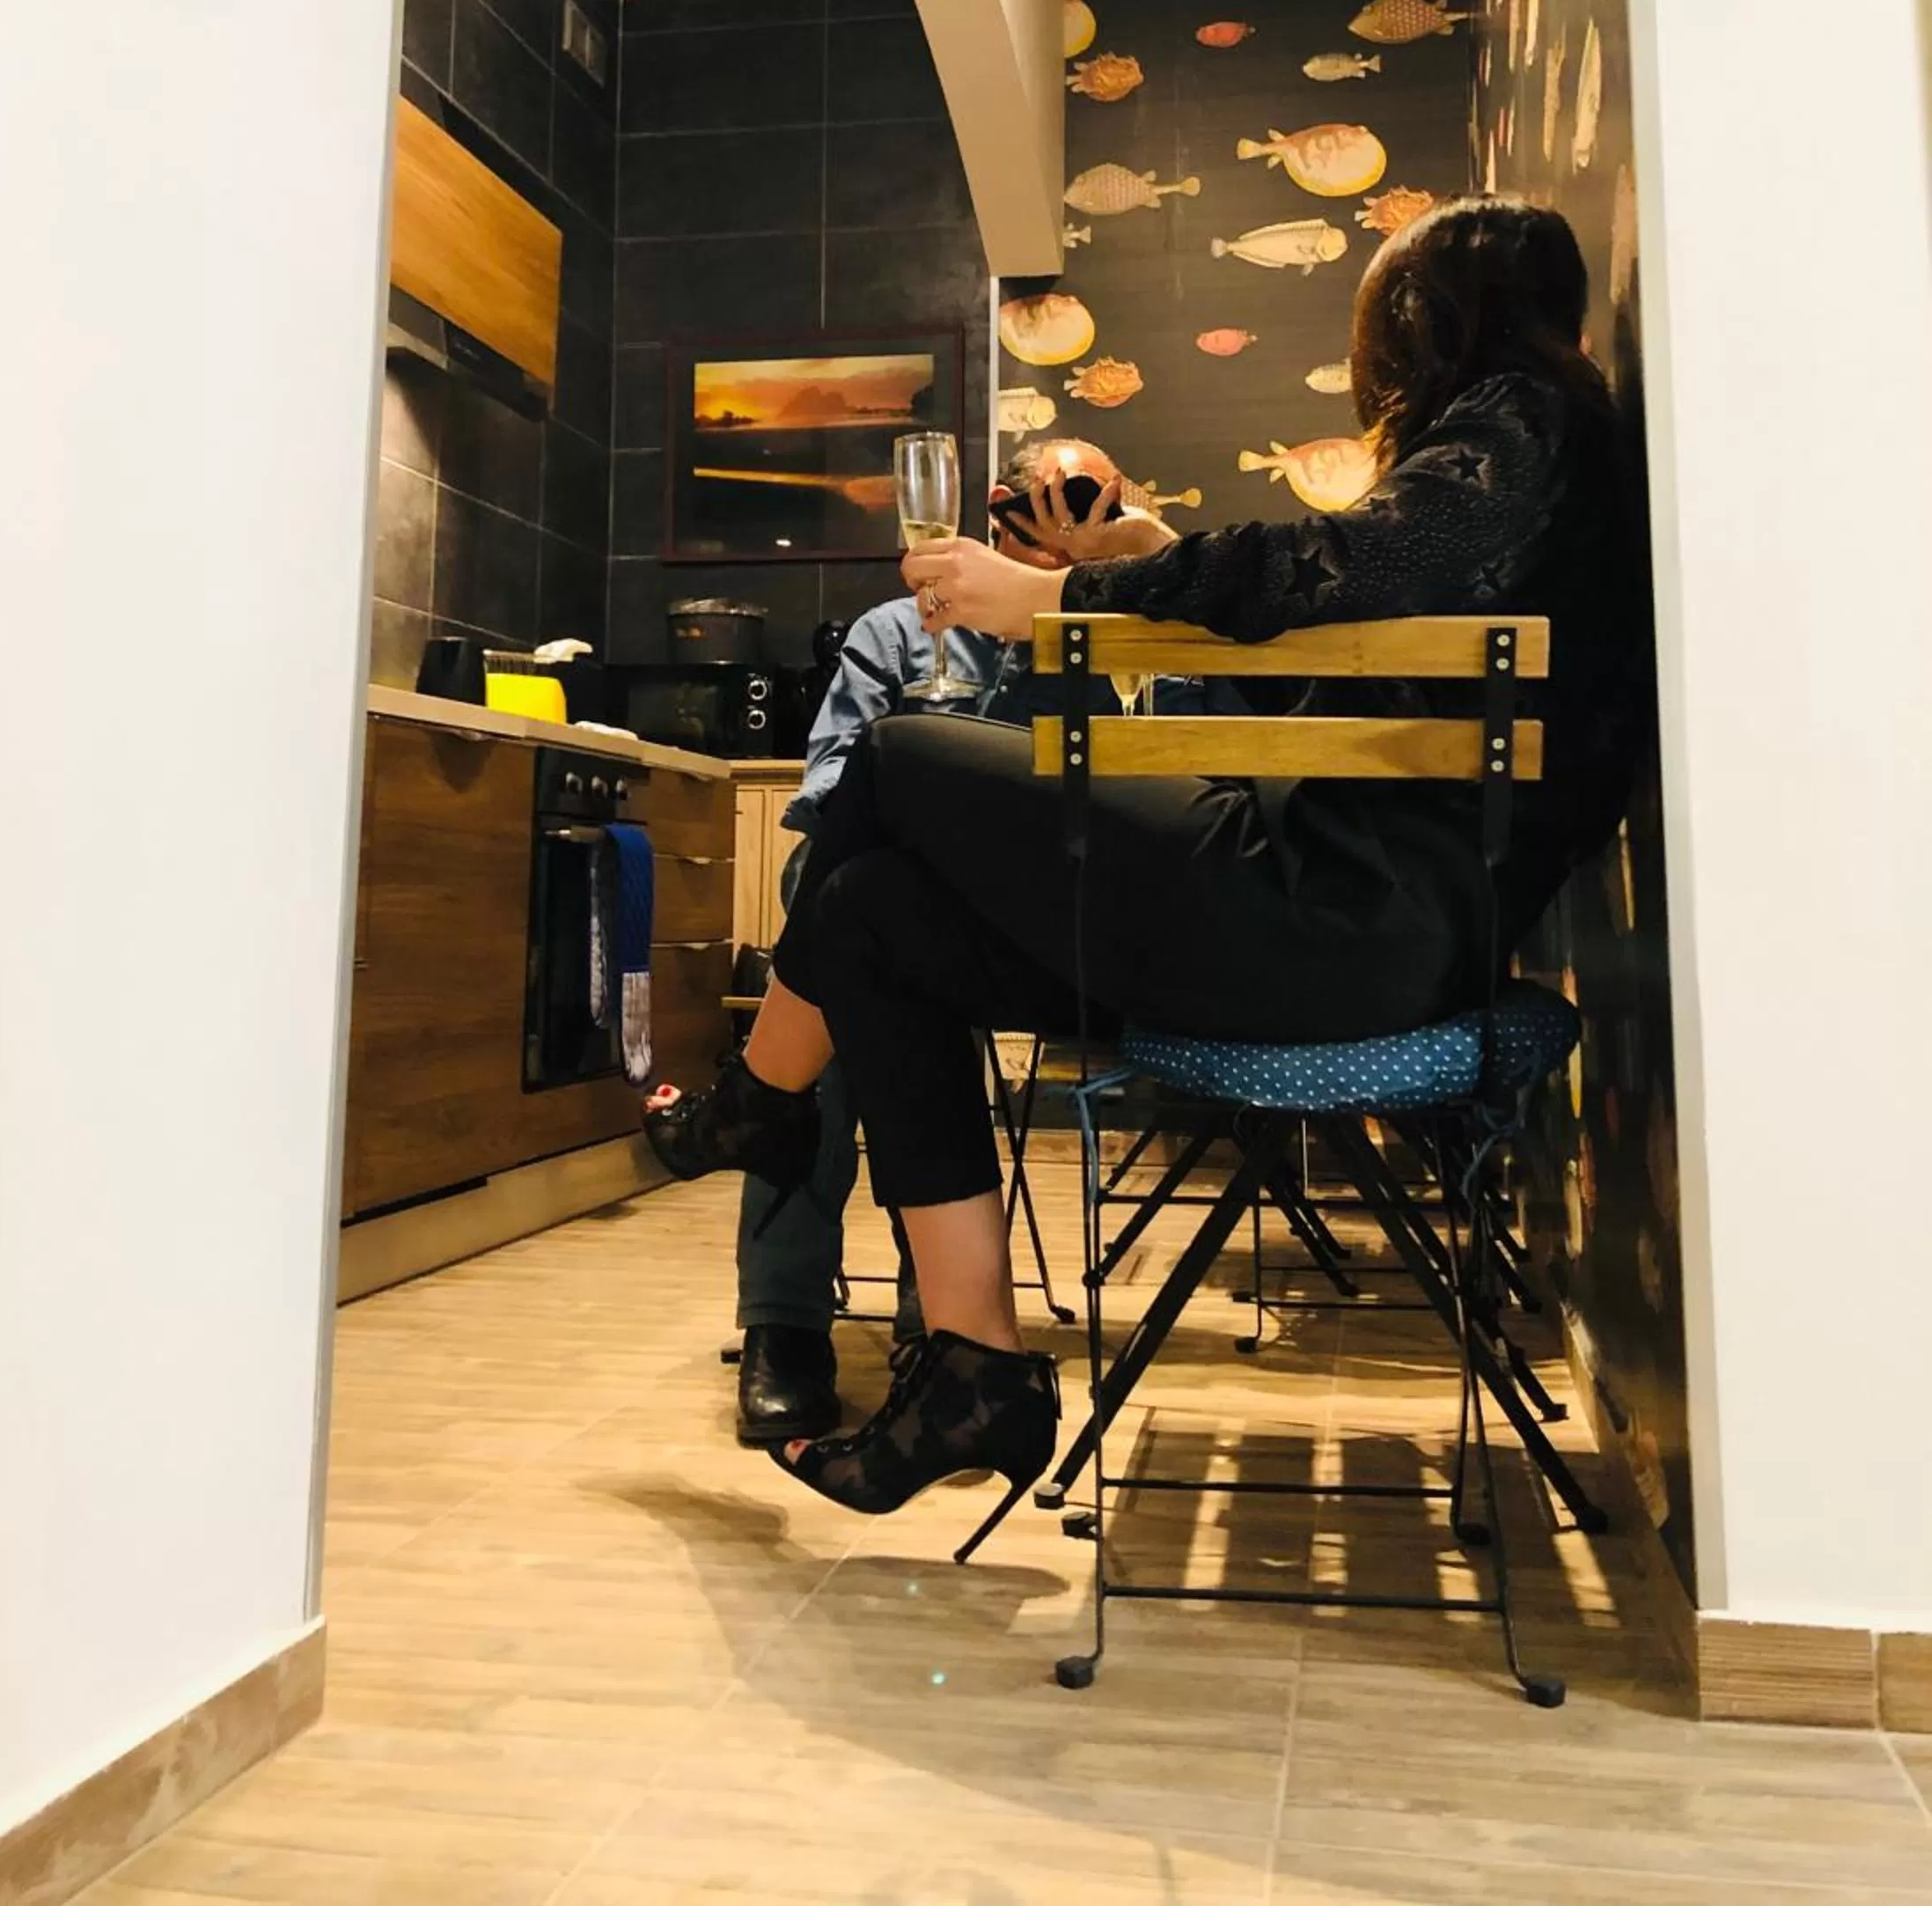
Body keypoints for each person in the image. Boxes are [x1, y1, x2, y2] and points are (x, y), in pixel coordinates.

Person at [649, 197, 1648, 1540]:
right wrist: (1148, 563)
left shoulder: (1523, 426)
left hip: (1339, 925)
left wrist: (1058, 600)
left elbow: (1342, 563)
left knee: (893, 758)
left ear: (1425, 321)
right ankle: (972, 1370)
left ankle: (758, 1103)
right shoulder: (1539, 462)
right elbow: (1346, 621)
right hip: (1348, 919)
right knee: (869, 917)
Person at [731, 439, 1178, 1446]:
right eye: (1063, 496)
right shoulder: (897, 632)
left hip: (1045, 926)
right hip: (900, 911)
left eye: (1101, 500)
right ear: (1002, 504)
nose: (1078, 517)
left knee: (857, 956)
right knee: (850, 925)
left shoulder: (1126, 641)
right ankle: (793, 1325)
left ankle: (770, 1139)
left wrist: (1125, 575)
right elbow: (827, 791)